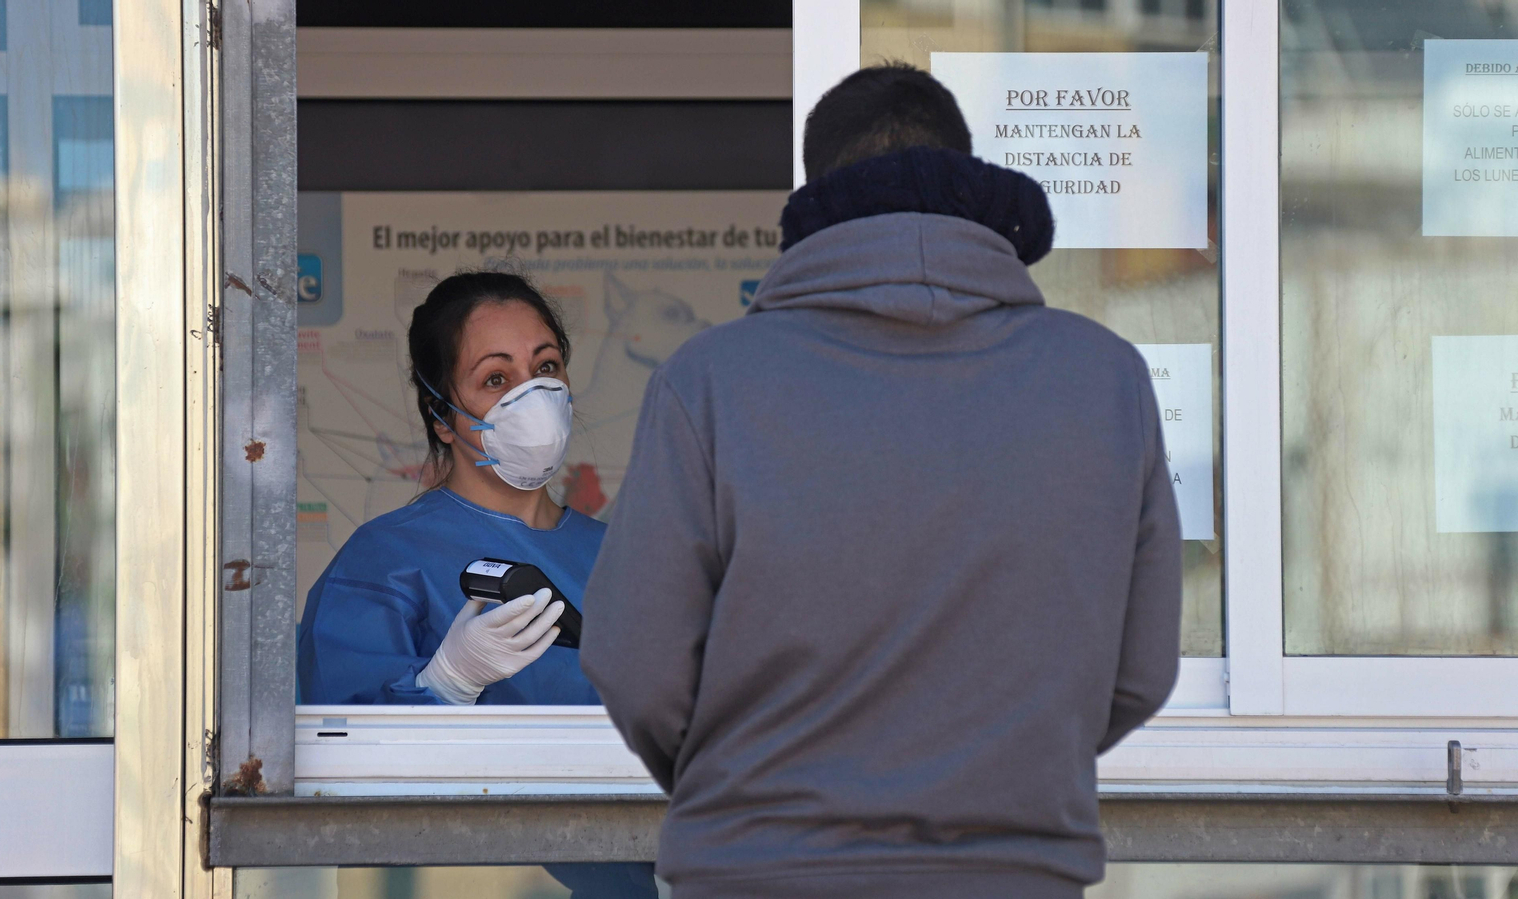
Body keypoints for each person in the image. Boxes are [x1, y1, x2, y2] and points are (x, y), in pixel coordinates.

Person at [581, 64, 1183, 899]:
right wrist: (1001, 782)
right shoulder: (1105, 379)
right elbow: (1142, 669)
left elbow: (633, 658)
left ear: (816, 190)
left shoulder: (710, 381)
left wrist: (745, 782)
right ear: (964, 175)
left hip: (758, 875)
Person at [296, 270, 657, 898]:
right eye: (497, 378)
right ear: (442, 417)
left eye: (546, 367)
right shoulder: (383, 562)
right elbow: (331, 765)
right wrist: (445, 684)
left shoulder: (625, 559)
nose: (533, 395)